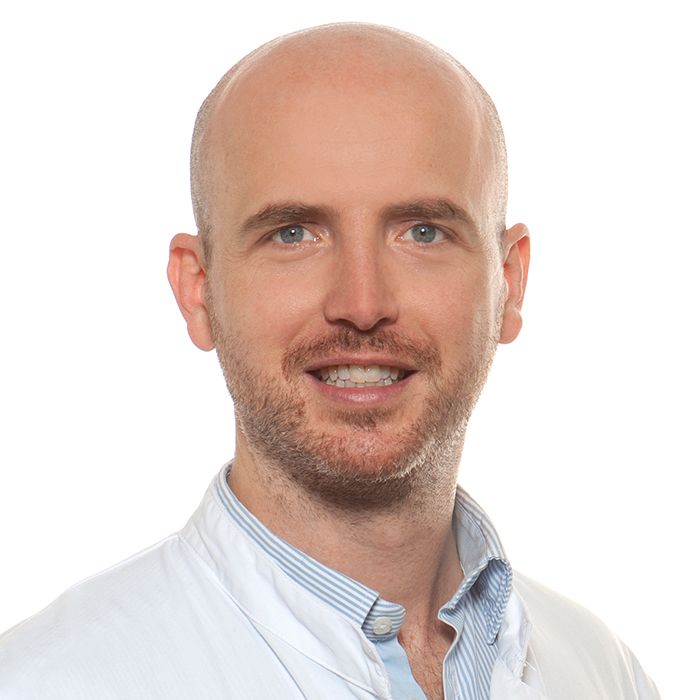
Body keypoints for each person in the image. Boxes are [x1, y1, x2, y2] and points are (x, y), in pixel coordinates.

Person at [0, 22, 660, 700]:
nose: (362, 303)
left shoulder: (602, 673)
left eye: (423, 231)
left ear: (509, 283)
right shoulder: (46, 683)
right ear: (198, 290)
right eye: (293, 234)